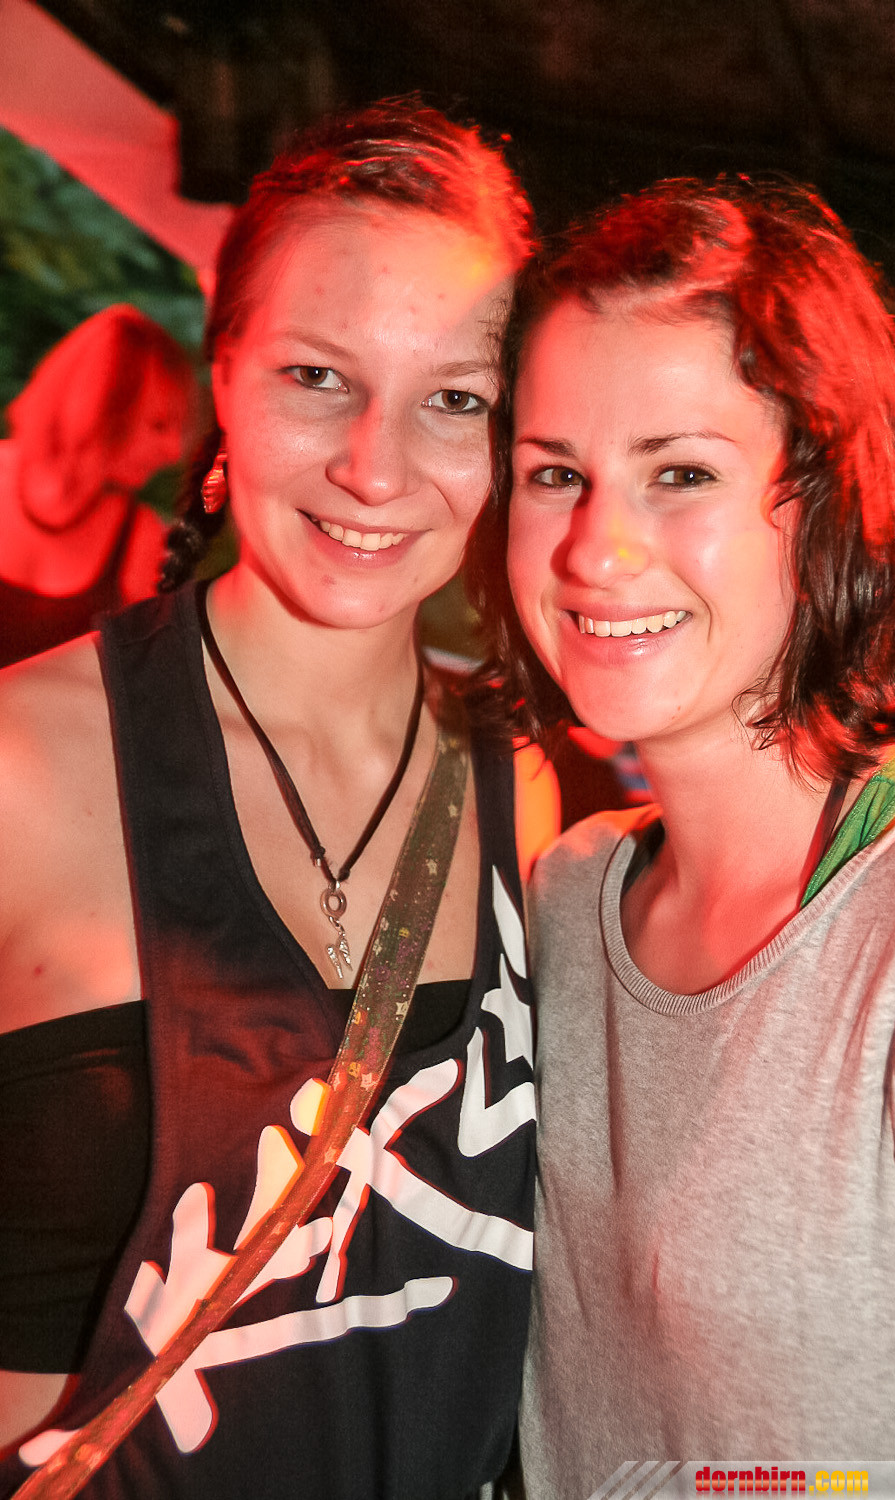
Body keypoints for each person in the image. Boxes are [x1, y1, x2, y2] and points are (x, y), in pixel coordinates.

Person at [0, 100, 542, 1499]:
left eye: (454, 399)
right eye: (316, 375)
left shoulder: (534, 796)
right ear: (223, 374)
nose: (375, 465)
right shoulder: (18, 765)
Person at [468, 178, 895, 1489]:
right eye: (555, 474)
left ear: (824, 505)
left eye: (682, 474)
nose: (596, 549)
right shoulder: (562, 898)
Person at [0, 305, 196, 667]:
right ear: (96, 407)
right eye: (158, 424)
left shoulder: (139, 539)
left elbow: (150, 674)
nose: (174, 451)